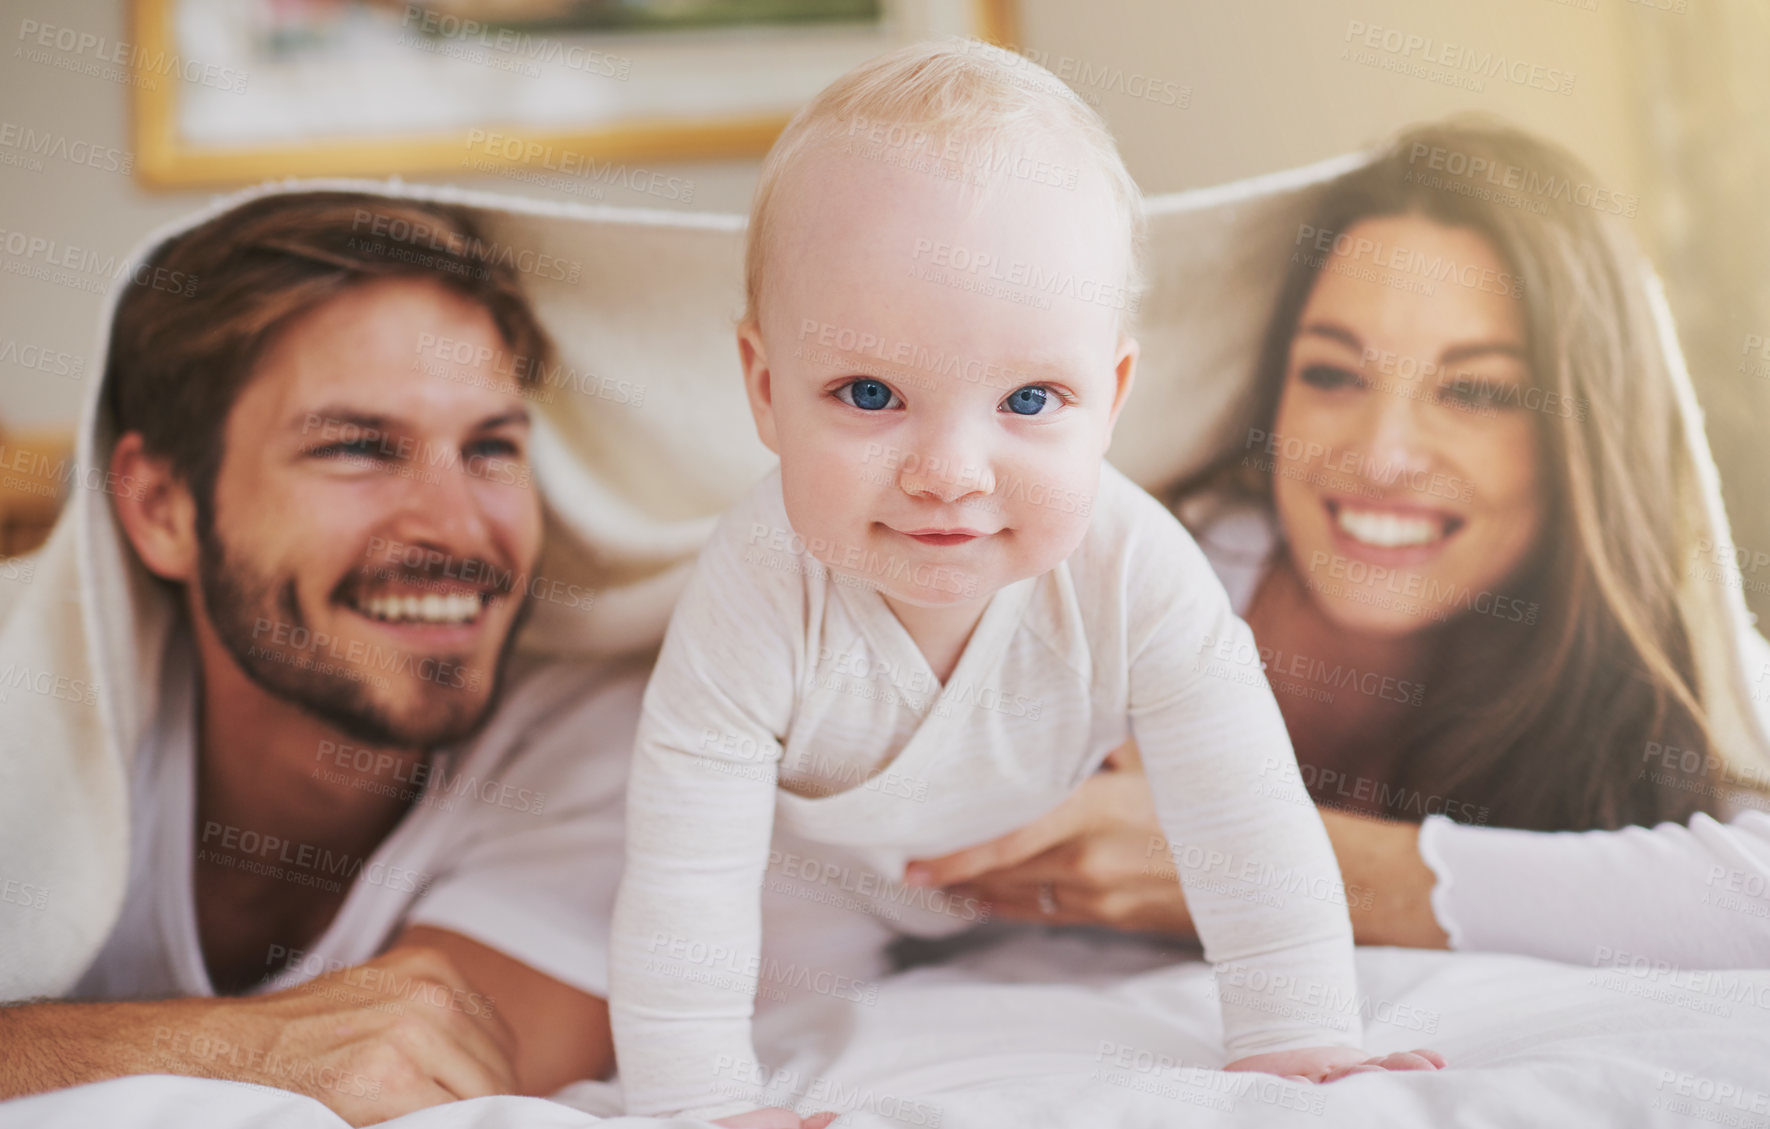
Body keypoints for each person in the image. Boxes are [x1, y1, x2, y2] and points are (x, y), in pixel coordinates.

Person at [607, 41, 1443, 1128]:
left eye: (1032, 400)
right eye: (870, 393)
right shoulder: (756, 591)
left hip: (1035, 873)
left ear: (1113, 394)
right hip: (808, 880)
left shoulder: (1136, 567)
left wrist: (1296, 1027)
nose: (950, 473)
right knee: (735, 970)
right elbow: (688, 877)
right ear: (766, 390)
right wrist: (696, 1102)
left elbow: (1240, 811)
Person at [904, 121, 1770, 972]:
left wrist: (1263, 862)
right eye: (1332, 373)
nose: (1382, 454)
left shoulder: (1663, 660)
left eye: (1472, 389)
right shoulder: (1121, 585)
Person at [0, 193, 642, 1125]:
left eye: (491, 447)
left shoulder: (598, 748)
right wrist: (231, 1048)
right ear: (162, 509)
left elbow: (429, 1080)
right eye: (356, 446)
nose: (458, 527)